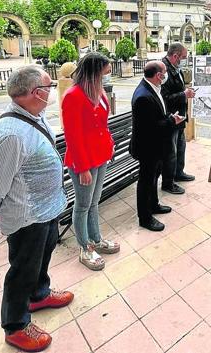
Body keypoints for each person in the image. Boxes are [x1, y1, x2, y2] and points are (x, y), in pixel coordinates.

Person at [0, 65, 73, 352]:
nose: (53, 91)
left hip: (47, 208)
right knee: (22, 270)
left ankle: (39, 293)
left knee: (42, 257)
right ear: (36, 93)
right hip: (27, 215)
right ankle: (16, 325)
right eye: (49, 86)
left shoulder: (35, 115)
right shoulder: (10, 134)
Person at [62, 53, 120, 271]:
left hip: (101, 154)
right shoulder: (73, 95)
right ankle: (84, 247)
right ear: (95, 71)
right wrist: (82, 167)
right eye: (105, 71)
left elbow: (103, 125)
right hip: (83, 159)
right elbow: (72, 136)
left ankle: (96, 239)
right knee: (83, 205)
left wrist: (110, 144)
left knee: (95, 202)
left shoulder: (98, 91)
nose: (107, 75)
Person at [130, 61, 185, 231]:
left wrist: (168, 116)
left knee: (154, 177)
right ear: (158, 75)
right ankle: (145, 218)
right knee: (146, 181)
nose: (166, 74)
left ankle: (153, 205)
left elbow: (156, 116)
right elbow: (150, 128)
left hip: (156, 146)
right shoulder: (143, 96)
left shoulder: (152, 88)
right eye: (164, 72)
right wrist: (171, 120)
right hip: (148, 147)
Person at [160, 43, 196, 195]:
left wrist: (185, 92)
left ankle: (178, 173)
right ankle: (168, 183)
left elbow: (179, 89)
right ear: (175, 56)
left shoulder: (175, 68)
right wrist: (184, 95)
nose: (184, 60)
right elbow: (163, 98)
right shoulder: (163, 70)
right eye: (183, 58)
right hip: (171, 118)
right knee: (170, 152)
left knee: (181, 147)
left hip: (179, 116)